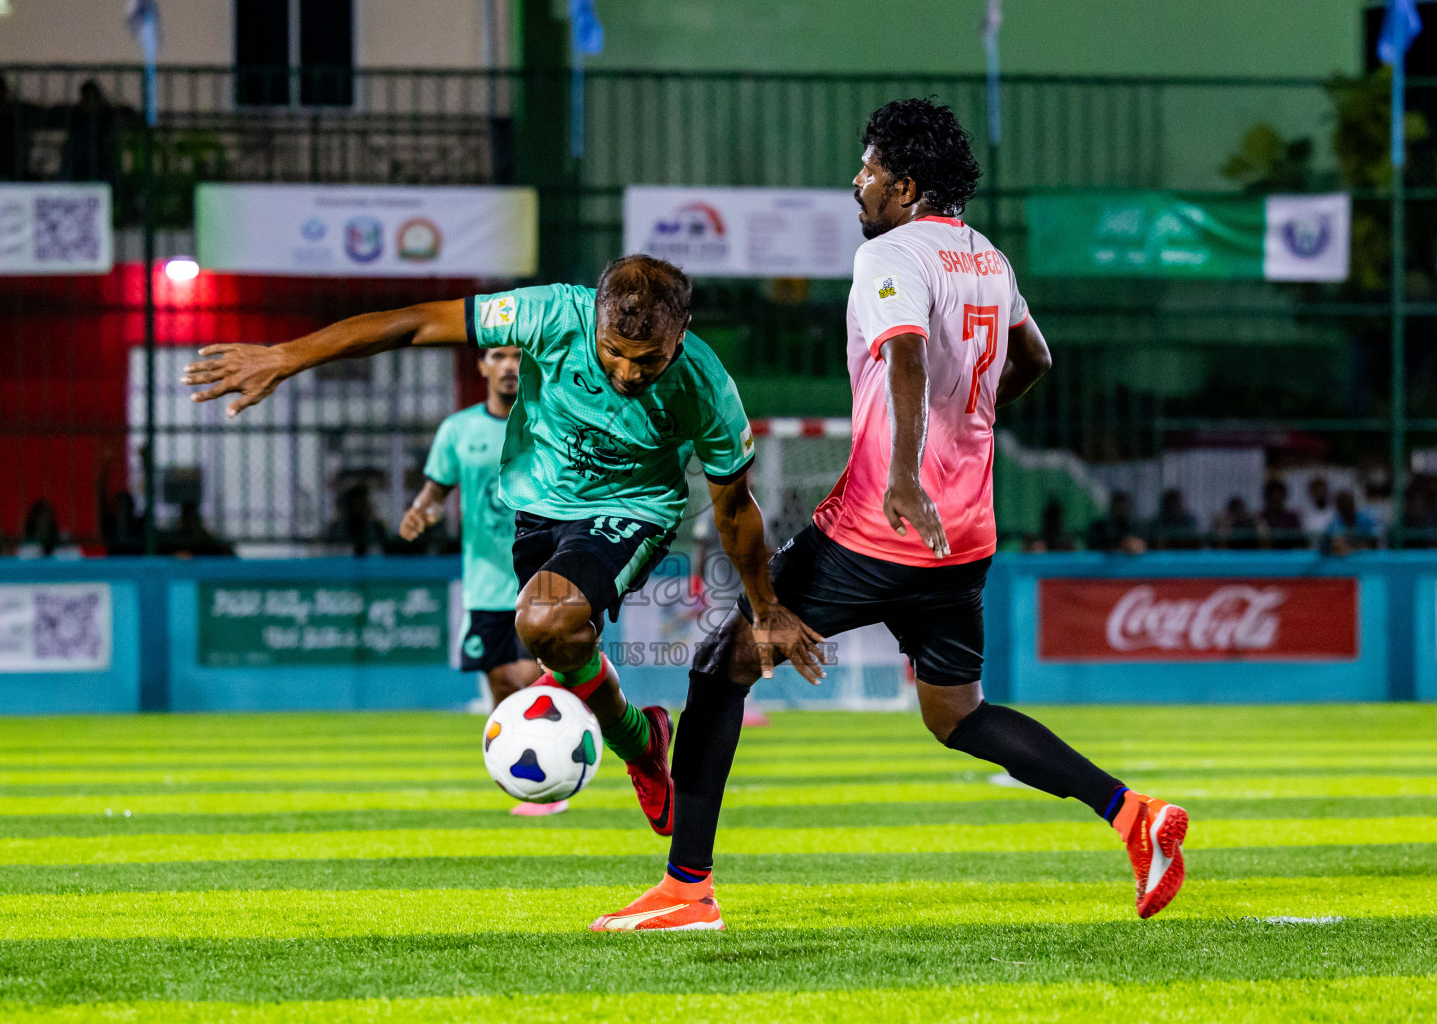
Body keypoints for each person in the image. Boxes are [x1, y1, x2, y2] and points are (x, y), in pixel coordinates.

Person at [592, 100, 1187, 932]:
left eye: (868, 168)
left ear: (905, 186)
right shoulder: (988, 258)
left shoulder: (892, 255)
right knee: (958, 715)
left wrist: (906, 472)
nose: (856, 181)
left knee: (718, 667)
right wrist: (965, 423)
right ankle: (1134, 816)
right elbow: (1034, 359)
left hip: (876, 528)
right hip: (964, 538)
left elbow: (905, 352)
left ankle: (687, 888)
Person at [181, 254, 823, 835]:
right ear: (593, 318)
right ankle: (642, 740)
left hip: (631, 512)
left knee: (546, 621)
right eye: (613, 352)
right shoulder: (549, 314)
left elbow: (734, 507)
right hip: (534, 504)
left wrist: (764, 607)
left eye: (648, 358)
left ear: (679, 337)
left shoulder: (707, 387)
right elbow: (414, 324)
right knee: (559, 642)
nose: (628, 372)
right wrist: (287, 357)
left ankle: (636, 743)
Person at [398, 344, 559, 815]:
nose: (509, 365)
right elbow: (437, 488)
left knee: (529, 679)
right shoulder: (458, 430)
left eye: (517, 356)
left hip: (538, 578)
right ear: (483, 367)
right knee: (502, 687)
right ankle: (524, 780)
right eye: (498, 355)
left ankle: (549, 784)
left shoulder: (546, 424)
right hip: (484, 583)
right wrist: (420, 511)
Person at [1323, 489, 1380, 554]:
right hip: (1344, 558)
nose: (1346, 507)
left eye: (1348, 504)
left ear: (1352, 504)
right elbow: (1329, 542)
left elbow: (1375, 539)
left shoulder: (1365, 520)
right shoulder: (1334, 524)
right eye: (1343, 506)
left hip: (1366, 556)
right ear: (1339, 508)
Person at [1258, 479, 1305, 550]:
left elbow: (1299, 541)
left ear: (1284, 497)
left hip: (1290, 556)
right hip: (1267, 557)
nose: (1276, 501)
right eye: (1273, 498)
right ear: (1267, 498)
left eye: (1279, 497)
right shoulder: (1261, 518)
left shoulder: (1292, 518)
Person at [1300, 475, 1334, 539]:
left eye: (1321, 489)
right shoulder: (1305, 513)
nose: (1319, 493)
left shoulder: (1334, 512)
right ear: (1311, 492)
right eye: (1316, 490)